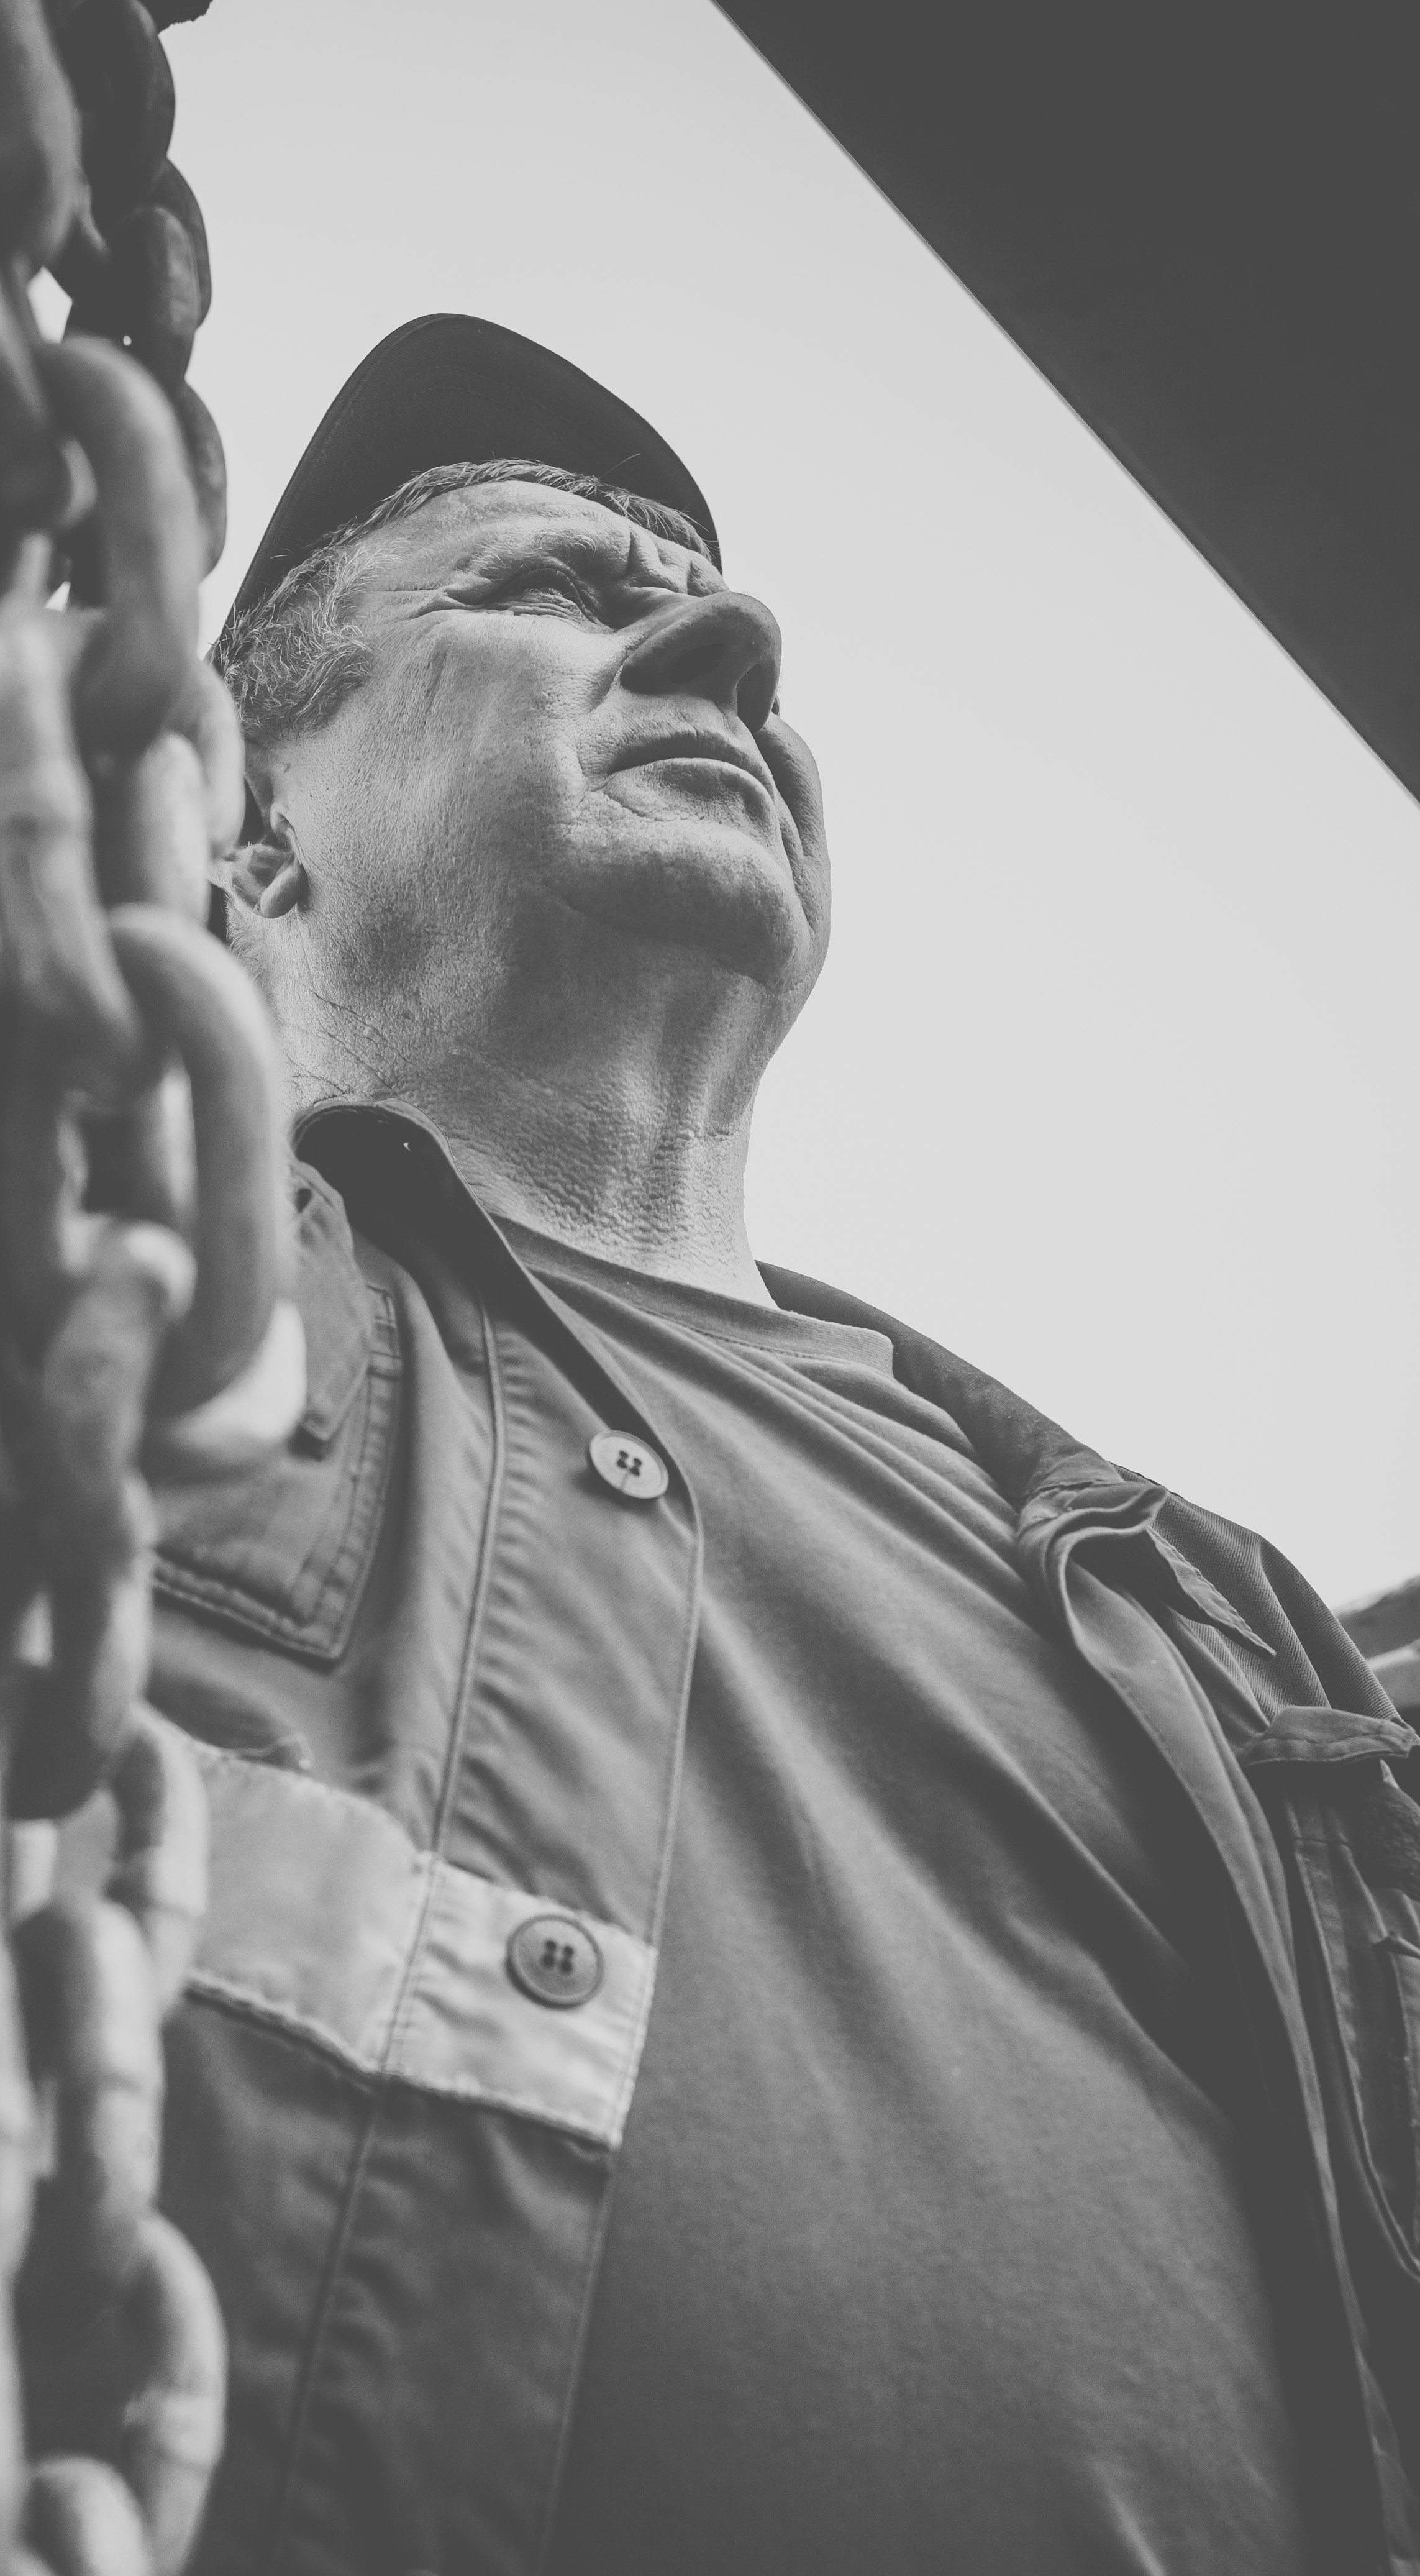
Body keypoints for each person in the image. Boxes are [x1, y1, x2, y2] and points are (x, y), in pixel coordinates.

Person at [150, 314, 1420, 2576]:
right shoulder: (79, 1294)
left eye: (733, 636)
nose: (729, 652)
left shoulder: (1240, 1642)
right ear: (250, 829)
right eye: (547, 589)